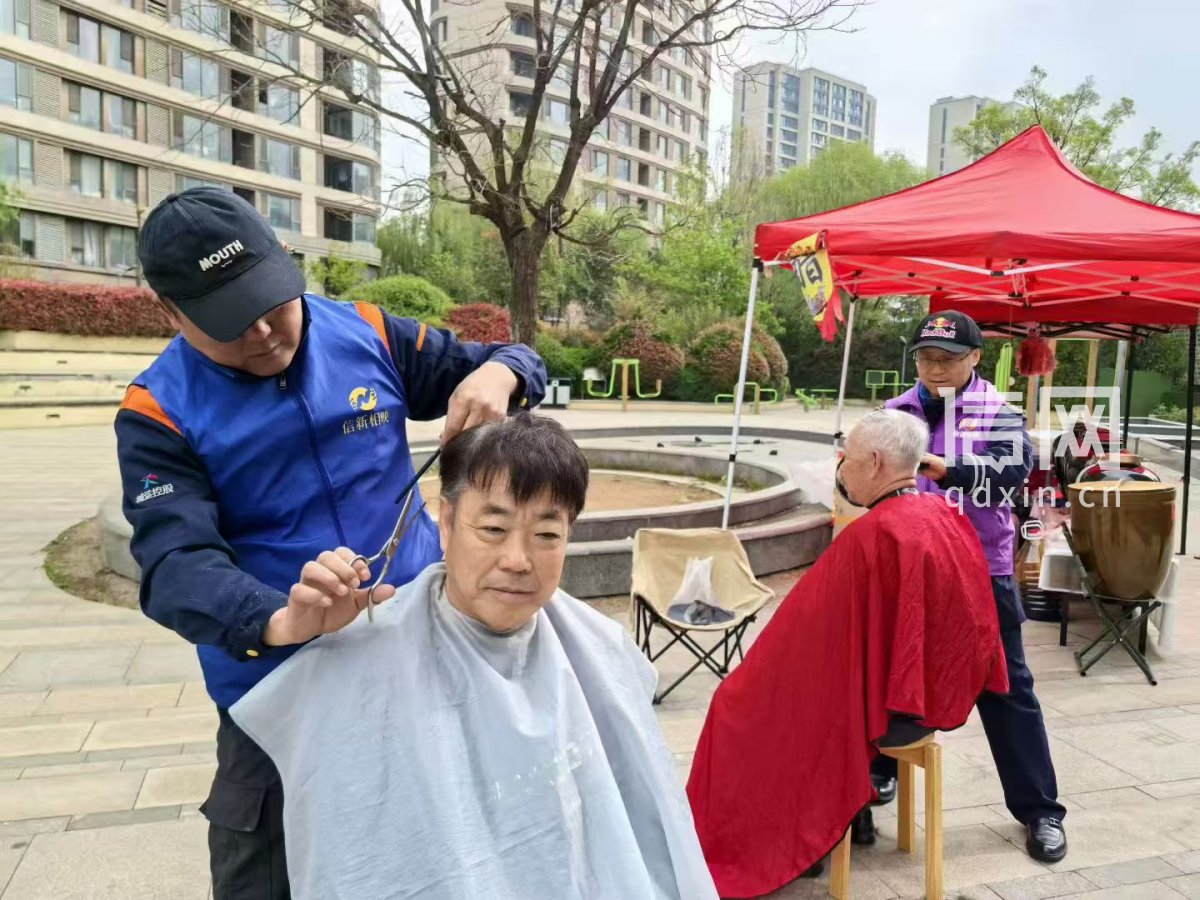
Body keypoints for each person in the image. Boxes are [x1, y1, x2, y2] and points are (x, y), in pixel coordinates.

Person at [114, 187, 546, 899]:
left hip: (418, 656)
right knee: (264, 879)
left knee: (448, 858)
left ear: (286, 261)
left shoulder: (367, 333)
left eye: (269, 299)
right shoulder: (158, 410)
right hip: (277, 687)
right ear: (170, 312)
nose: (263, 331)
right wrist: (279, 619)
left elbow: (511, 358)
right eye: (229, 319)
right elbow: (174, 564)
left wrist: (502, 372)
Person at [229, 414, 720, 900]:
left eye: (547, 535)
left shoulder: (599, 646)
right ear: (446, 522)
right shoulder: (366, 651)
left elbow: (648, 827)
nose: (518, 560)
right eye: (493, 528)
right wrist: (290, 629)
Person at [685, 410, 1007, 898]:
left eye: (847, 459)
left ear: (874, 462)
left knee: (735, 707)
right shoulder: (946, 515)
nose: (841, 469)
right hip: (928, 700)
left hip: (890, 712)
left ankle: (783, 840)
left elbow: (800, 642)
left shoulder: (872, 535)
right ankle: (841, 821)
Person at [882, 309, 1068, 862]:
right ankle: (877, 771)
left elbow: (1010, 475)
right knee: (890, 670)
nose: (935, 368)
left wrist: (947, 469)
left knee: (1007, 689)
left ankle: (1040, 811)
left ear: (975, 359)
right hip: (910, 570)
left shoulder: (1000, 415)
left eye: (947, 358)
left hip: (982, 572)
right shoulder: (893, 414)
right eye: (925, 357)